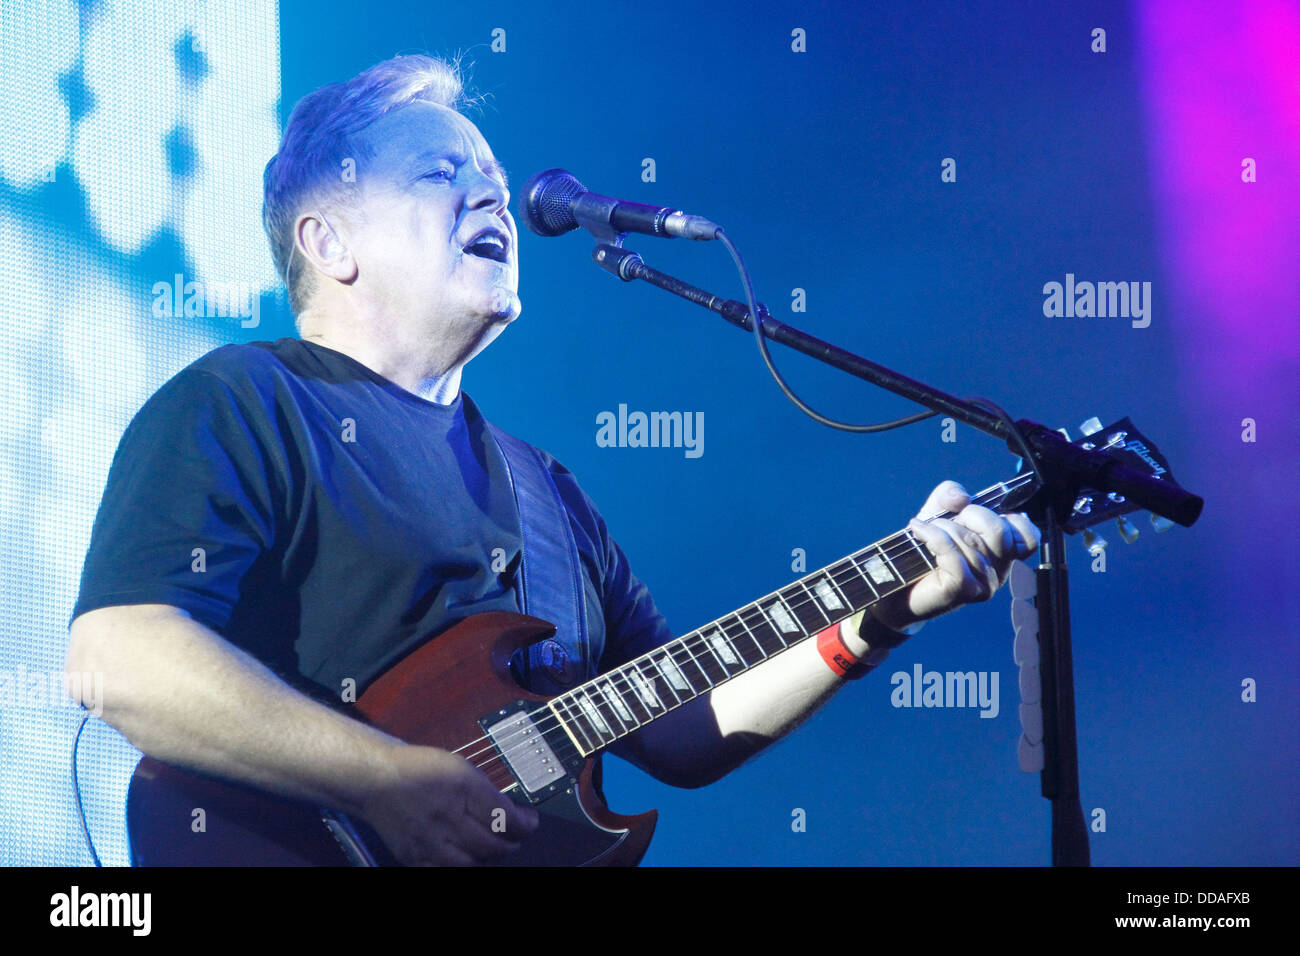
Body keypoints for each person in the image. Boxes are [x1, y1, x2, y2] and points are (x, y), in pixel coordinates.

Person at [65, 54, 1039, 866]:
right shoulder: (245, 401)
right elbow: (120, 658)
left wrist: (878, 609)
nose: (490, 189)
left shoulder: (544, 492)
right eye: (440, 173)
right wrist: (380, 778)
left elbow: (678, 729)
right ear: (330, 238)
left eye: (489, 173)